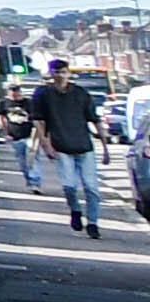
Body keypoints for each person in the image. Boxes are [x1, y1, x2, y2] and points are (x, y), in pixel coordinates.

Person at [31, 65, 107, 238]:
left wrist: (105, 147)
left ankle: (93, 223)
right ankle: (75, 210)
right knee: (69, 185)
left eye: (63, 72)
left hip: (84, 145)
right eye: (57, 72)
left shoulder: (80, 93)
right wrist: (46, 144)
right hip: (61, 145)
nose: (60, 76)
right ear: (51, 74)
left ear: (69, 74)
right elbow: (39, 121)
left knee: (91, 187)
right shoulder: (43, 94)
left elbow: (95, 119)